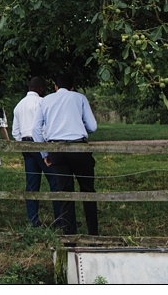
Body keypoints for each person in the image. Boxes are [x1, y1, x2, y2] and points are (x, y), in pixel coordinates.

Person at [37, 72, 101, 235]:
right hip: (78, 147)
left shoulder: (45, 100)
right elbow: (92, 126)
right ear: (72, 87)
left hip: (57, 149)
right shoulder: (79, 98)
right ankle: (93, 232)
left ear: (55, 87)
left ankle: (69, 233)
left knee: (65, 191)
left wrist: (45, 153)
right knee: (87, 189)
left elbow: (35, 129)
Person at [11, 76, 48, 228]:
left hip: (25, 144)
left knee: (32, 183)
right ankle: (61, 218)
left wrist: (22, 144)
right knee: (54, 179)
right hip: (39, 143)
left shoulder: (19, 105)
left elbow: (15, 131)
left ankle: (33, 219)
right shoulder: (41, 102)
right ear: (40, 89)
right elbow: (44, 127)